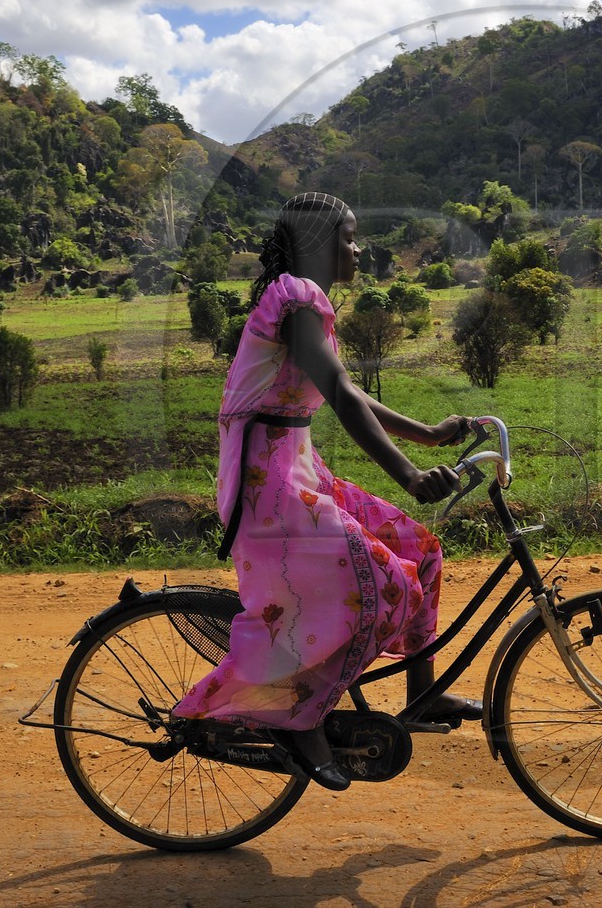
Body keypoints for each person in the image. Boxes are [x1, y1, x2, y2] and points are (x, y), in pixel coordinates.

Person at [172, 192, 477, 791]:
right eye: (349, 237)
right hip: (271, 481)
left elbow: (349, 393)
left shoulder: (304, 302)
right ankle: (297, 715)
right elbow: (338, 391)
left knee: (423, 550)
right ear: (318, 242)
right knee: (386, 582)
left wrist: (428, 436)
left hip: (295, 465)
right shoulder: (294, 296)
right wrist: (408, 474)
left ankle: (424, 697)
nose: (357, 250)